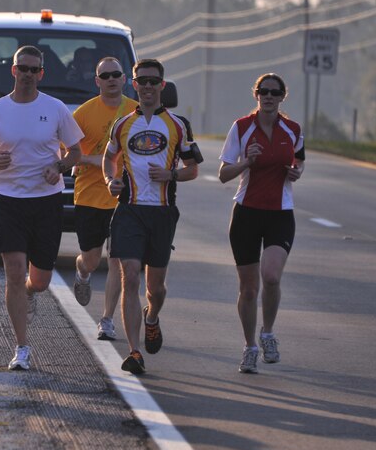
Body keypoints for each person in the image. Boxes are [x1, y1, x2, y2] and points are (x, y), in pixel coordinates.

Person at [0, 45, 83, 371]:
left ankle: (30, 291)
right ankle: (22, 347)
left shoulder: (55, 109)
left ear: (41, 73)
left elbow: (75, 152)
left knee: (38, 281)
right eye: (22, 68)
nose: (28, 74)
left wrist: (59, 166)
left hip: (46, 201)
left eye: (34, 69)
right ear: (13, 71)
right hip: (8, 200)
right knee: (14, 271)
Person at [102, 58, 199, 375]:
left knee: (155, 289)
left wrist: (171, 175)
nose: (146, 86)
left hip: (162, 213)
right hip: (129, 210)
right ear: (134, 83)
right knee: (129, 276)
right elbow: (109, 157)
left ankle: (152, 317)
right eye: (140, 80)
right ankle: (134, 352)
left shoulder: (178, 125)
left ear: (162, 85)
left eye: (152, 81)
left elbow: (193, 169)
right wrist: (110, 180)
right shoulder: (122, 124)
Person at [218, 73, 305, 374]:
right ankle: (249, 346)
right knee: (249, 288)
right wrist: (246, 162)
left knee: (270, 277)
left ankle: (267, 334)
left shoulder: (292, 129)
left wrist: (297, 172)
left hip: (280, 213)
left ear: (283, 96)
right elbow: (224, 174)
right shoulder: (241, 127)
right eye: (263, 92)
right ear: (256, 95)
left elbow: (300, 159)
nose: (268, 96)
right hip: (246, 213)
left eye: (274, 92)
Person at [71, 57, 138, 342]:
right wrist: (93, 160)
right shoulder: (83, 114)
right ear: (97, 81)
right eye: (105, 75)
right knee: (91, 259)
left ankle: (107, 320)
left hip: (124, 196)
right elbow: (67, 155)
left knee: (117, 260)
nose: (111, 79)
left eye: (116, 75)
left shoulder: (136, 112)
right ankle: (82, 272)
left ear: (124, 79)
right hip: (89, 196)